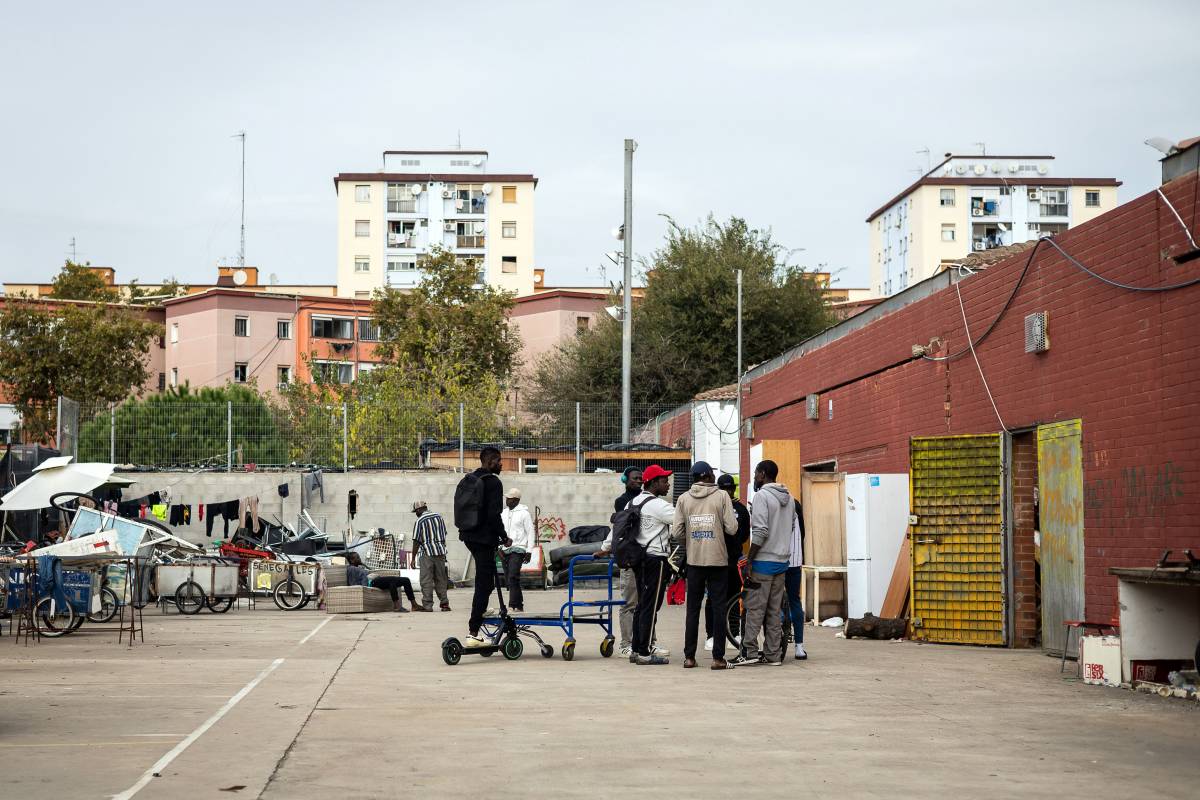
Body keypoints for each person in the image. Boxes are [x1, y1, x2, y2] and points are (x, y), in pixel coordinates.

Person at [673, 461, 738, 670]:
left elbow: (677, 533)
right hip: (718, 560)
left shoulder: (683, 499)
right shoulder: (722, 496)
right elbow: (732, 528)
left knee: (692, 609)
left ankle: (689, 657)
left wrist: (692, 541)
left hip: (694, 561)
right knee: (719, 608)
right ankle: (718, 658)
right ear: (709, 476)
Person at [730, 459, 795, 667]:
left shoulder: (761, 496)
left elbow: (760, 531)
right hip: (782, 562)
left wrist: (750, 560)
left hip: (763, 561)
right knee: (774, 611)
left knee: (754, 609)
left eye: (757, 474)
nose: (755, 478)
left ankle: (748, 652)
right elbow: (791, 526)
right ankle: (773, 655)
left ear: (763, 474)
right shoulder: (790, 498)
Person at [598, 466, 667, 659]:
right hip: (634, 558)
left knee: (645, 604)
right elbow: (619, 526)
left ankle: (644, 643)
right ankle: (629, 644)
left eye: (640, 478)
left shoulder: (648, 502)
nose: (638, 480)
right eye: (635, 478)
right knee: (633, 603)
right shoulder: (624, 502)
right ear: (625, 480)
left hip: (639, 558)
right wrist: (607, 547)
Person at [457, 447, 510, 648]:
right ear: (490, 462)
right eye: (499, 461)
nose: (501, 464)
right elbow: (493, 515)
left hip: (469, 535)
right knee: (483, 582)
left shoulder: (471, 478)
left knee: (486, 581)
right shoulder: (493, 482)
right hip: (484, 538)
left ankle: (481, 611)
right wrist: (504, 537)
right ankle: (473, 632)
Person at [626, 464, 675, 666]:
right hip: (655, 559)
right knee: (651, 606)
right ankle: (645, 653)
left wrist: (605, 547)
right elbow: (681, 521)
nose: (668, 484)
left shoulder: (632, 503)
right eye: (664, 480)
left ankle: (636, 649)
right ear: (653, 483)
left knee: (642, 605)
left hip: (638, 559)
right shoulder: (658, 505)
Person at [706, 473, 750, 652]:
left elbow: (745, 534)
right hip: (715, 558)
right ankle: (712, 635)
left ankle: (733, 631)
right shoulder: (712, 507)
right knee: (713, 599)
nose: (726, 492)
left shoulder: (740, 509)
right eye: (723, 489)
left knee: (734, 597)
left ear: (733, 489)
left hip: (733, 560)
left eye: (729, 488)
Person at [409, 500, 451, 612]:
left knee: (426, 580)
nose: (416, 514)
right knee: (441, 579)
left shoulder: (420, 521)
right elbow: (444, 535)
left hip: (427, 553)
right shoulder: (439, 517)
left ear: (418, 509)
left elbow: (416, 541)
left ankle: (428, 606)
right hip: (440, 552)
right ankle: (444, 604)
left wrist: (413, 558)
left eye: (415, 511)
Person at [345, 552, 421, 612]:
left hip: (376, 580)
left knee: (406, 580)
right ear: (352, 560)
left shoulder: (358, 567)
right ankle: (397, 606)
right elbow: (353, 583)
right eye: (357, 558)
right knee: (392, 581)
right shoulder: (351, 569)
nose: (360, 559)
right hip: (373, 583)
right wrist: (366, 588)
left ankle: (414, 605)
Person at [500, 487, 535, 612]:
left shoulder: (524, 514)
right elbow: (499, 531)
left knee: (513, 576)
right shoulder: (503, 513)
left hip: (518, 549)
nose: (506, 500)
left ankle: (512, 605)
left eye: (509, 499)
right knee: (510, 578)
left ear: (515, 500)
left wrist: (529, 551)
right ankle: (519, 605)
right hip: (504, 550)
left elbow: (530, 532)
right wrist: (499, 548)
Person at [784, 497, 807, 660]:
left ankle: (776, 640)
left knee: (774, 600)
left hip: (775, 560)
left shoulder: (770, 502)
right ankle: (799, 646)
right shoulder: (796, 504)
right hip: (795, 560)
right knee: (794, 600)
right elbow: (803, 533)